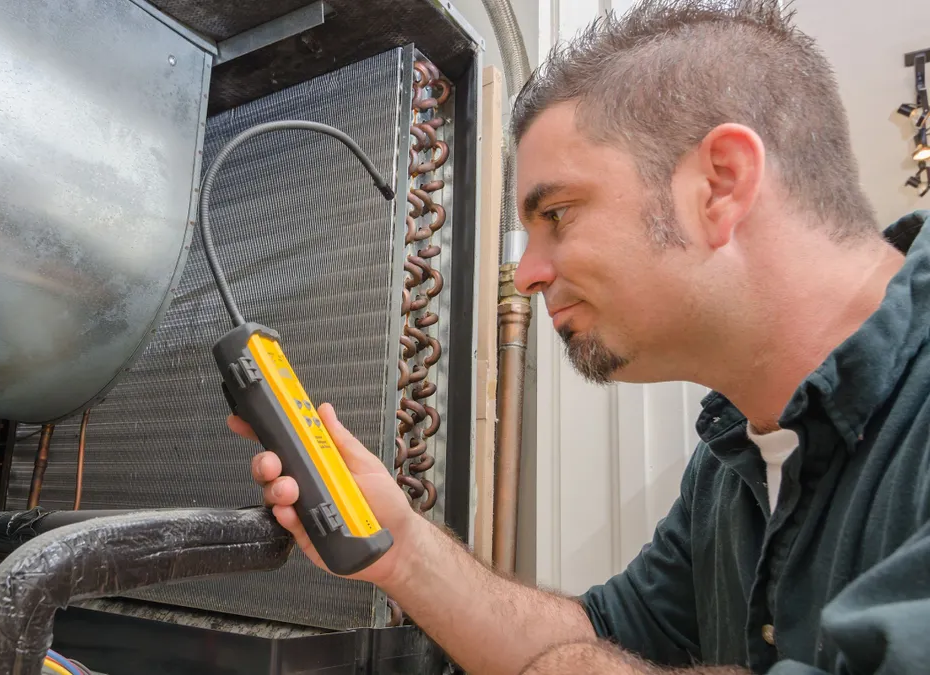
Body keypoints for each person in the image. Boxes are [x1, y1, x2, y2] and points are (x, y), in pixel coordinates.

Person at [228, 0, 930, 673]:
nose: (527, 275)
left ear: (721, 182)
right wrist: (402, 547)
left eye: (558, 213)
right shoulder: (732, 458)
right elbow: (612, 634)